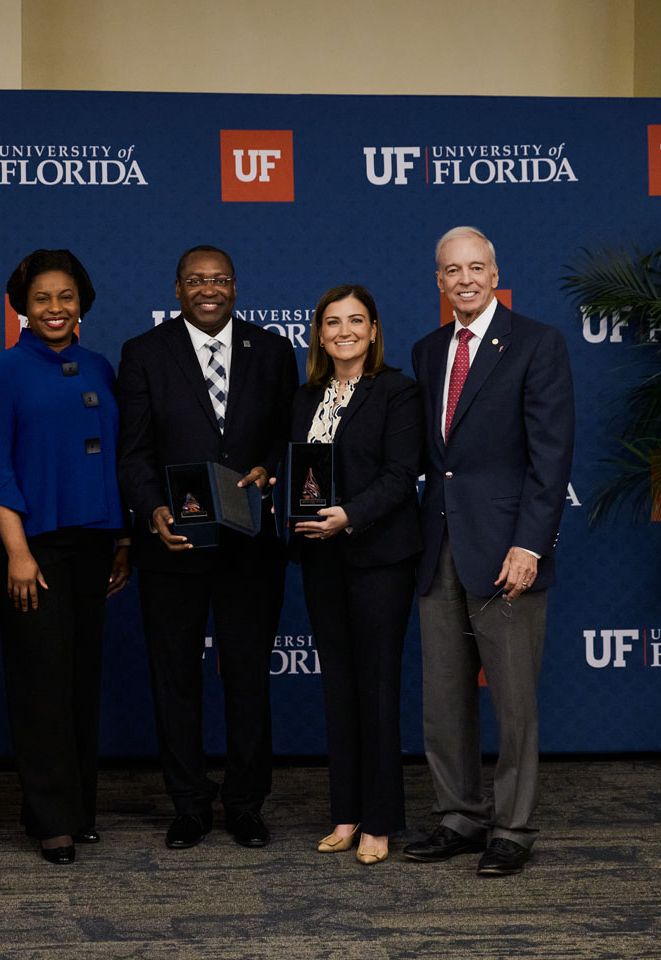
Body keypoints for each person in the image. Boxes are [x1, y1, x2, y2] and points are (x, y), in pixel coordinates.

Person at [406, 226, 574, 876]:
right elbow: (424, 457)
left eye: (477, 267)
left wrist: (530, 543)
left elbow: (551, 455)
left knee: (513, 701)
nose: (466, 280)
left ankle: (513, 826)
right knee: (443, 695)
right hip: (438, 546)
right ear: (439, 281)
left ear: (495, 271)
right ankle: (458, 816)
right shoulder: (426, 352)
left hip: (508, 553)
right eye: (453, 271)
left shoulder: (536, 342)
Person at [117, 245, 297, 849]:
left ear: (236, 286)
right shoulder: (144, 354)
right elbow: (135, 450)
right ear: (177, 288)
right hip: (174, 545)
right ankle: (189, 804)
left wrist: (270, 469)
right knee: (176, 678)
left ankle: (246, 802)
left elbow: (288, 437)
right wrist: (151, 509)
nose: (208, 289)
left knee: (248, 676)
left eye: (219, 279)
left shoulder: (272, 351)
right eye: (196, 280)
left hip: (250, 545)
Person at [0, 249, 131, 865]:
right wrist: (14, 550)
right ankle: (50, 820)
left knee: (80, 680)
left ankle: (79, 809)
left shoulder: (99, 366)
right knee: (40, 681)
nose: (55, 308)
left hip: (96, 543)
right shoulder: (2, 371)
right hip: (30, 547)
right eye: (42, 298)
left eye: (66, 297)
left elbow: (117, 455)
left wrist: (123, 540)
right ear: (22, 305)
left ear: (82, 303)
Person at [288, 285, 423, 865]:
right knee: (337, 686)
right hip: (320, 557)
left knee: (377, 688)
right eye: (332, 322)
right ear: (318, 333)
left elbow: (401, 475)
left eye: (356, 321)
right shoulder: (305, 396)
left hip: (378, 557)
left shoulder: (397, 391)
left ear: (373, 330)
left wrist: (349, 516)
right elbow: (298, 472)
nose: (344, 330)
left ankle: (380, 822)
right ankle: (345, 814)